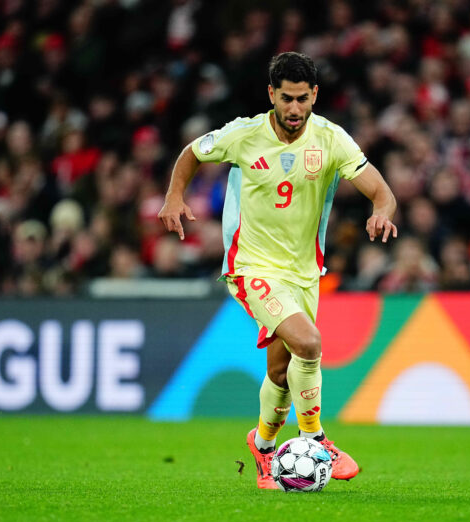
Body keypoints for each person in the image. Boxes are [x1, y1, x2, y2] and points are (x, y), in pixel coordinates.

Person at [158, 52, 398, 489]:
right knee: (309, 342)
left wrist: (381, 210)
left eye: (302, 99)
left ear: (315, 95)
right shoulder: (244, 134)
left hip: (304, 273)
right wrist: (175, 196)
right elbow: (191, 153)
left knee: (281, 373)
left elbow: (382, 191)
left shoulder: (331, 139)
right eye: (286, 98)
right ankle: (317, 439)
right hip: (251, 267)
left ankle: (263, 446)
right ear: (271, 94)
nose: (294, 108)